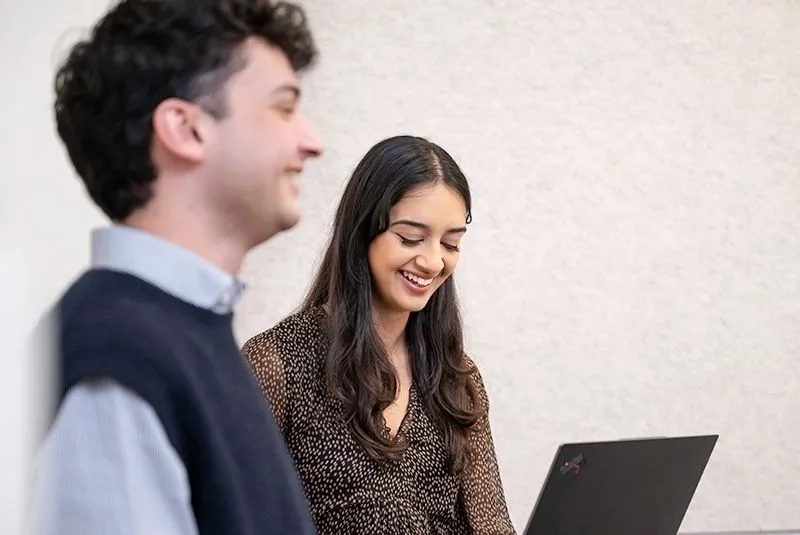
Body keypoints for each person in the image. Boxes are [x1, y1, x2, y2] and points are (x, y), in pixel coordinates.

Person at [29, 1, 324, 534]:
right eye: (283, 108)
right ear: (185, 129)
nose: (312, 141)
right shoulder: (116, 356)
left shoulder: (184, 332)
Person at [242, 135, 516, 535]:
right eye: (410, 238)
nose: (433, 260)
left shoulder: (457, 380)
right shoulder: (276, 362)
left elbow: (492, 526)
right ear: (362, 230)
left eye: (451, 243)